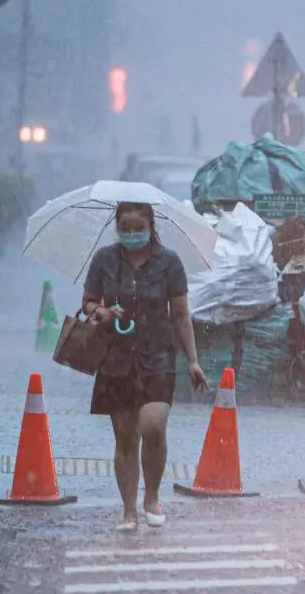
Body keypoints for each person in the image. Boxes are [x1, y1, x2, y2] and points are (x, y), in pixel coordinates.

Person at [82, 201, 209, 531]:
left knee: (153, 426)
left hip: (158, 357)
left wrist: (193, 361)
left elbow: (181, 313)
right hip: (115, 359)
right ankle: (128, 510)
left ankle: (152, 496)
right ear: (117, 228)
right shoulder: (105, 260)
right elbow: (88, 303)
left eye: (138, 228)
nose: (132, 234)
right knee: (124, 438)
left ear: (152, 227)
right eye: (125, 228)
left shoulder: (169, 263)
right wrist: (103, 312)